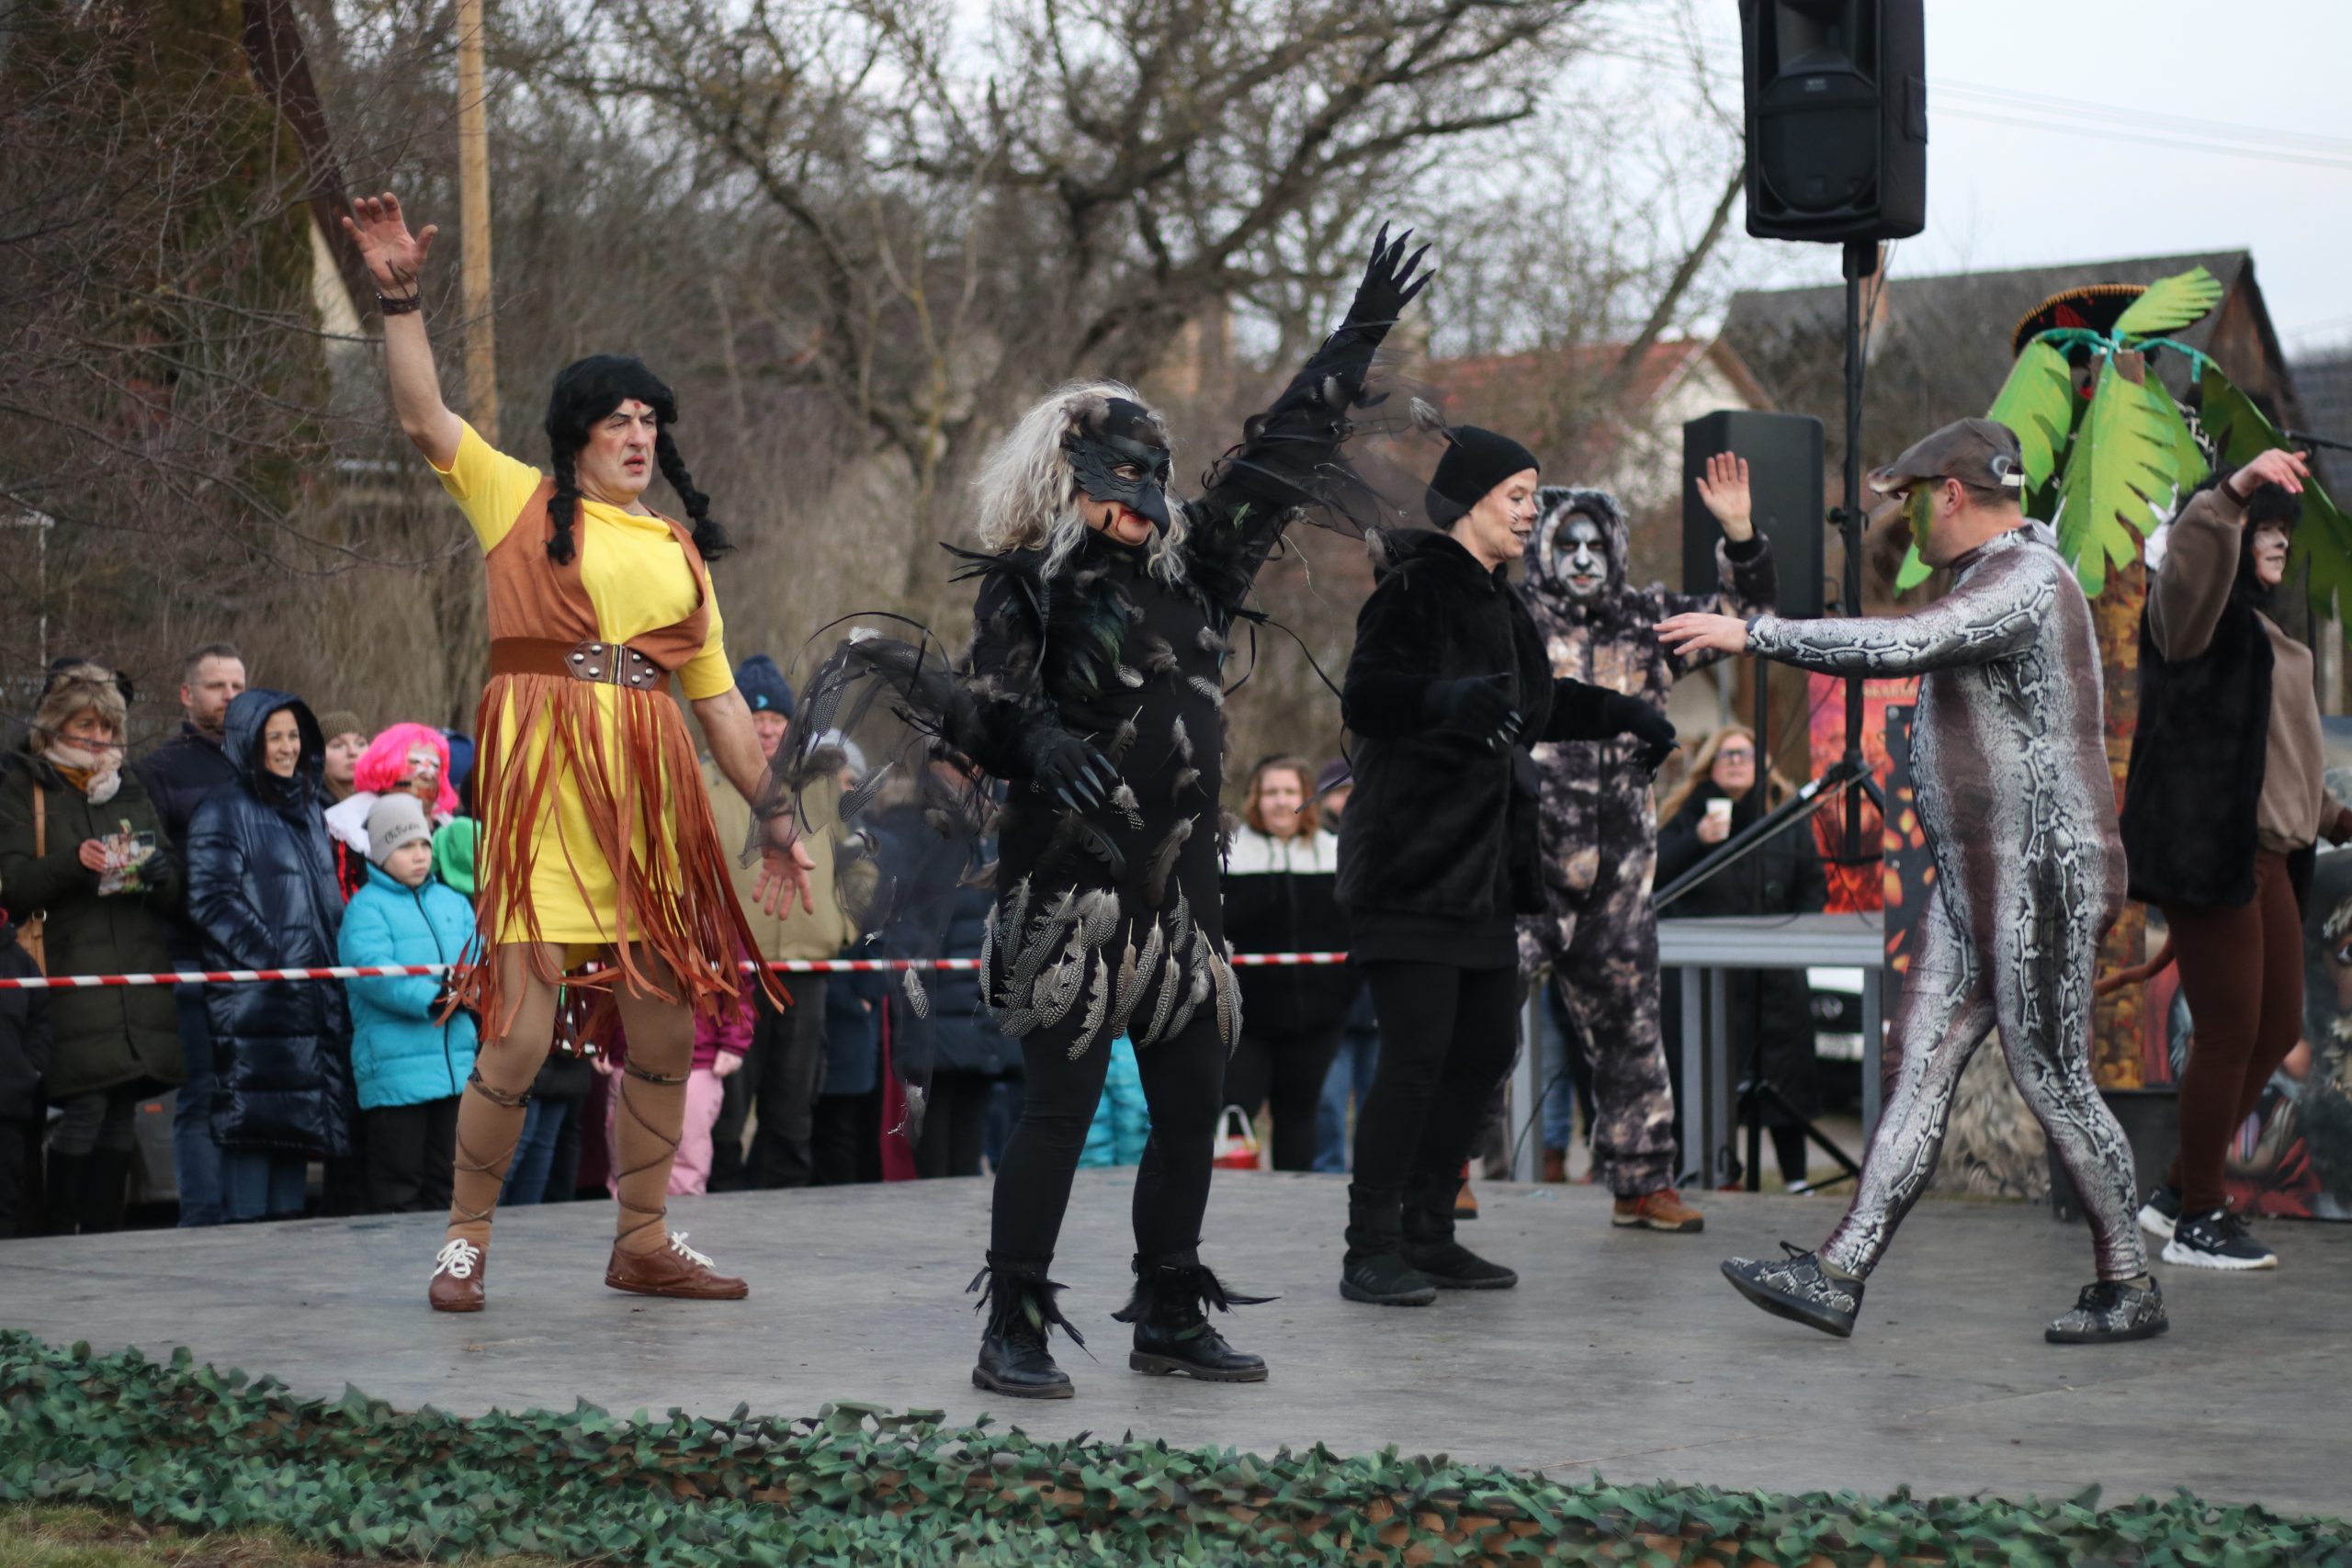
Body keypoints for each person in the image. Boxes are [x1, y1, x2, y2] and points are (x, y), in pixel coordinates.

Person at [341, 191, 814, 1311]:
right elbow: (422, 418)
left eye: (650, 420)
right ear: (578, 436)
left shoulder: (680, 555)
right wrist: (399, 299)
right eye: (618, 420)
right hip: (547, 810)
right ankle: (464, 1244)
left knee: (666, 1033)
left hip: (649, 822)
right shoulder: (519, 501)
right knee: (513, 1040)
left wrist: (779, 817)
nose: (639, 435)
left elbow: (718, 710)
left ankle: (642, 1239)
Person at [1660, 417, 2165, 1344]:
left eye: (1911, 499)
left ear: (1953, 494)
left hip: (2043, 876)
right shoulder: (1988, 578)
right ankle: (1836, 1273)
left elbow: (1901, 646)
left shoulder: (2024, 580)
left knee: (2052, 1078)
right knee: (1917, 1073)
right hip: (1977, 885)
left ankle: (2128, 1280)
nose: (1905, 519)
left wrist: (1753, 632)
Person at [1335, 423, 1675, 1307]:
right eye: (1518, 496)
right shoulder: (1413, 588)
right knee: (1415, 1055)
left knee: (1485, 1046)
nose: (1532, 512)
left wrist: (1629, 714)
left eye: (1533, 496)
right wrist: (1445, 699)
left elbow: (1540, 704)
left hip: (1483, 877)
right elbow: (1368, 694)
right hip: (1409, 869)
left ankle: (1428, 1230)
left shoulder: (1504, 603)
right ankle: (1370, 1245)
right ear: (1469, 500)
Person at [1513, 457, 1778, 1234]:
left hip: (1621, 875)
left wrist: (1741, 534)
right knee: (1479, 1018)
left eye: (1597, 546)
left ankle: (1642, 1180)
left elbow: (1746, 617)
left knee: (1632, 1028)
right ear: (1544, 551)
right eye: (1568, 546)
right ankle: (1446, 1170)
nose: (1583, 560)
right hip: (1523, 864)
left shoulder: (1646, 619)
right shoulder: (1514, 619)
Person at [2123, 447, 2347, 1269]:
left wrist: (2339, 817)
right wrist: (2233, 491)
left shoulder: (2272, 638)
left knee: (2280, 1027)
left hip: (2273, 858)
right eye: (2265, 526)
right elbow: (2189, 567)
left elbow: (2284, 764)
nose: (2279, 539)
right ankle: (2200, 1220)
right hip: (2212, 853)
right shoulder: (2193, 622)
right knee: (2226, 1032)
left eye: (2285, 527)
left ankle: (2178, 1192)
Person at [0, 662, 184, 1234]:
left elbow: (174, 888)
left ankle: (105, 1241)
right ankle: (60, 1236)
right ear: (56, 725)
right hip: (65, 970)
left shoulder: (128, 785)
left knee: (121, 1111)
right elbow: (12, 886)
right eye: (86, 725)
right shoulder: (24, 784)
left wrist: (159, 872)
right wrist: (72, 862)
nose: (98, 738)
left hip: (134, 973)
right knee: (84, 1107)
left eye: (107, 727)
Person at [185, 690, 351, 1223]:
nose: (286, 747)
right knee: (253, 1134)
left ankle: (289, 1264)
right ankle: (246, 1258)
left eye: (293, 735)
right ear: (247, 743)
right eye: (273, 737)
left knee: (296, 1134)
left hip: (311, 1002)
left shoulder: (310, 808)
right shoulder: (222, 809)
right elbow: (210, 901)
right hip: (255, 1007)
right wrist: (275, 959)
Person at [701, 655, 855, 1190]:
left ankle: (785, 1205)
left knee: (793, 1106)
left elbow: (856, 859)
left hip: (806, 969)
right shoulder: (702, 782)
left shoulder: (819, 785)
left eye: (777, 719)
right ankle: (721, 1201)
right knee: (725, 1106)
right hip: (732, 971)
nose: (767, 729)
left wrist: (842, 926)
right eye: (755, 718)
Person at [1655, 724, 1829, 1188]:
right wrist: (1697, 839)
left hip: (1775, 977)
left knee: (1784, 1078)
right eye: (1726, 755)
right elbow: (1653, 877)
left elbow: (1813, 886)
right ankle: (1711, 1173)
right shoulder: (1685, 816)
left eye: (1744, 755)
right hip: (1705, 981)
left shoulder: (1784, 815)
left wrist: (1792, 938)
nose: (1735, 762)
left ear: (1762, 765)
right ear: (1709, 767)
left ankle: (1796, 1180)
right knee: (1706, 1080)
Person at [135, 641, 245, 1229]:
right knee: (201, 1093)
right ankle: (202, 1219)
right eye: (216, 686)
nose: (229, 696)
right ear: (186, 694)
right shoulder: (159, 770)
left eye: (237, 687)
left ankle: (252, 1213)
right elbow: (155, 873)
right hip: (192, 955)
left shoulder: (260, 761)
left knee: (250, 1090)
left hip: (260, 958)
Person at [340, 795, 481, 1213]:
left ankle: (445, 1251)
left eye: (423, 844)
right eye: (404, 846)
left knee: (449, 1182)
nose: (419, 855)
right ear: (381, 853)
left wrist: (476, 990)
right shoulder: (365, 908)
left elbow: (478, 957)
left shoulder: (453, 902)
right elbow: (371, 972)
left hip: (455, 1070)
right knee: (398, 1185)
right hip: (395, 1073)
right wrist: (435, 996)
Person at [1223, 756, 1354, 1171]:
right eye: (1271, 792)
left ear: (1308, 797)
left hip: (1317, 1019)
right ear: (1255, 799)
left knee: (1299, 1116)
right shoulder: (1226, 855)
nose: (1281, 802)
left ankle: (1294, 1200)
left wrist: (1342, 996)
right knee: (1234, 1113)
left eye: (1290, 791)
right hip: (1243, 1021)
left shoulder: (1335, 853)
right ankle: (1232, 1205)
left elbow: (1355, 931)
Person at [324, 725, 458, 899]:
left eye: (435, 765)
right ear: (387, 764)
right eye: (415, 762)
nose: (428, 774)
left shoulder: (446, 823)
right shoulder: (349, 822)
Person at [0, 909, 47, 1238]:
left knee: (6, 1199)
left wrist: (31, 1069)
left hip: (8, 1102)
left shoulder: (20, 960)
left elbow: (40, 1021)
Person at [319, 712, 368, 806]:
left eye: (360, 744)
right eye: (337, 746)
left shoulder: (383, 799)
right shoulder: (308, 808)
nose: (353, 752)